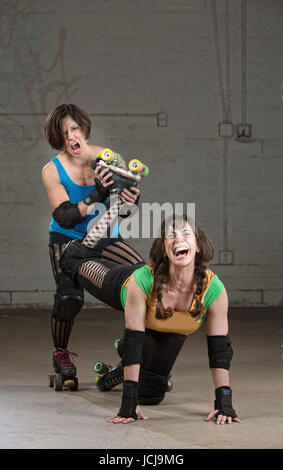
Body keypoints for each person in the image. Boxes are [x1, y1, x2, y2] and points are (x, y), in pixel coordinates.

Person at [59, 198, 241, 425]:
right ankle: (110, 201)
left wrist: (224, 401)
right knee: (72, 259)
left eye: (186, 233)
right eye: (170, 236)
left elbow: (220, 350)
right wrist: (128, 404)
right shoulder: (141, 281)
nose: (178, 239)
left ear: (198, 245)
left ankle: (117, 370)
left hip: (166, 324)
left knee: (152, 395)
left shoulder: (214, 290)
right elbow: (135, 339)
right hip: (125, 284)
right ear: (164, 249)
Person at [42, 103, 142, 382]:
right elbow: (65, 217)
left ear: (84, 129)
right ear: (56, 139)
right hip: (67, 238)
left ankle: (129, 351)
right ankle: (60, 352)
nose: (71, 137)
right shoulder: (52, 170)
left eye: (74, 128)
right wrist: (97, 193)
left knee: (144, 283)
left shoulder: (110, 159)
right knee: (69, 298)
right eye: (63, 133)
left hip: (103, 233)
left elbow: (126, 210)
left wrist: (131, 200)